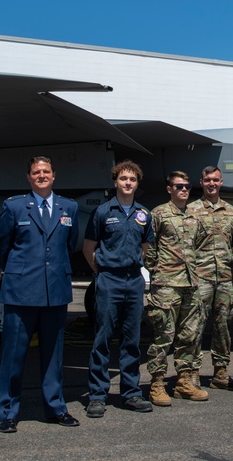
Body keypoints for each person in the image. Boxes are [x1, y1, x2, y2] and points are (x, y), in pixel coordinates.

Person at [0, 156, 81, 433]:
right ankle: (7, 411)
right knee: (13, 356)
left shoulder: (69, 207)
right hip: (21, 291)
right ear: (29, 177)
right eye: (35, 172)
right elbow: (1, 246)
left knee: (53, 356)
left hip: (54, 291)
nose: (41, 176)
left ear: (54, 176)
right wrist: (19, 271)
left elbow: (69, 243)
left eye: (45, 172)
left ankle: (55, 407)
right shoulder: (15, 206)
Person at [84, 160, 154, 418]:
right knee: (102, 338)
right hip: (109, 280)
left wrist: (131, 268)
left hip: (133, 281)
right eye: (123, 178)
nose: (128, 183)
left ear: (137, 184)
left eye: (132, 180)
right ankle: (97, 395)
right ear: (115, 181)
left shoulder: (144, 214)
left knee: (131, 339)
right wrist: (101, 273)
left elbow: (145, 248)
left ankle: (131, 392)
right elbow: (88, 248)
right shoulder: (103, 212)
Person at [145, 171, 208, 406]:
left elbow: (199, 245)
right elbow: (149, 246)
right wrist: (159, 271)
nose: (184, 189)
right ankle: (157, 384)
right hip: (167, 285)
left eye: (187, 186)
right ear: (169, 188)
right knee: (164, 336)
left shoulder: (194, 215)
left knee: (189, 336)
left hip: (191, 285)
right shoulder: (159, 214)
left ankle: (183, 383)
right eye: (179, 186)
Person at [186, 166, 233, 390]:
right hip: (201, 278)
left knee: (224, 326)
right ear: (202, 182)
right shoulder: (191, 210)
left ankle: (220, 370)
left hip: (226, 278)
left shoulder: (232, 212)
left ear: (221, 182)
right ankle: (192, 371)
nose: (212, 183)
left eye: (215, 180)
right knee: (195, 325)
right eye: (208, 180)